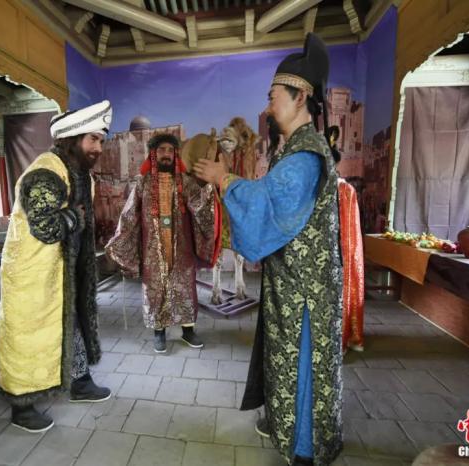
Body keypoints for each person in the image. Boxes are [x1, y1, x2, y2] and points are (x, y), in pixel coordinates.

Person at [194, 33, 343, 466]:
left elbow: (269, 203)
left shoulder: (305, 156)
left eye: (274, 96)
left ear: (301, 97)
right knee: (285, 363)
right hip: (292, 285)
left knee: (301, 366)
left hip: (305, 295)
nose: (269, 105)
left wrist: (223, 180)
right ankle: (288, 429)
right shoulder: (292, 149)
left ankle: (305, 448)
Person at [0, 101, 113, 433]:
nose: (98, 148)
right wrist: (74, 216)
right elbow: (45, 227)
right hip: (32, 274)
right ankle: (22, 406)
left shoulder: (78, 172)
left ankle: (79, 382)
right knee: (28, 336)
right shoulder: (46, 172)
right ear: (73, 139)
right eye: (93, 139)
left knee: (71, 324)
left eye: (101, 141)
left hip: (63, 271)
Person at [106, 133, 219, 353]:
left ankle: (188, 331)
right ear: (153, 154)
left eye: (170, 150)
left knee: (185, 287)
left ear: (175, 154)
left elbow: (200, 206)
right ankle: (159, 332)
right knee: (155, 289)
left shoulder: (185, 182)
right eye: (161, 150)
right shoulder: (142, 183)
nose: (166, 154)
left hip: (182, 248)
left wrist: (209, 190)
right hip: (152, 249)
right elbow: (129, 215)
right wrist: (119, 241)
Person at [330, 129, 365, 353]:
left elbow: (350, 231)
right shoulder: (345, 189)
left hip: (335, 252)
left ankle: (339, 338)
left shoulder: (345, 190)